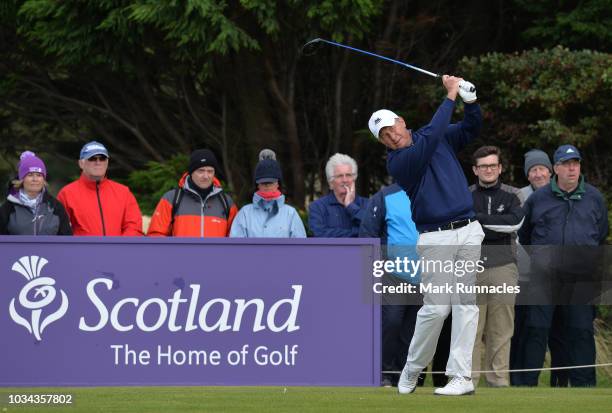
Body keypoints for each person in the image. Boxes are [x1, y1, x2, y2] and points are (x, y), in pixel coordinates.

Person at [369, 75, 484, 396]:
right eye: (384, 136)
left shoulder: (435, 136)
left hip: (468, 231)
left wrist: (470, 100)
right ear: (383, 143)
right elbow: (433, 135)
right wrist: (450, 96)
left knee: (466, 305)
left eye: (393, 128)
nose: (392, 136)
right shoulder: (400, 161)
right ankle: (412, 368)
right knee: (436, 308)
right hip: (435, 238)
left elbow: (471, 129)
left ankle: (461, 376)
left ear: (402, 123)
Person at [517, 144, 608, 387]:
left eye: (575, 163)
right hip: (544, 278)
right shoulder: (538, 199)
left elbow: (600, 234)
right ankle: (526, 387)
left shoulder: (594, 197)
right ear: (555, 168)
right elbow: (525, 237)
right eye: (566, 164)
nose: (572, 168)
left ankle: (584, 387)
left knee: (581, 332)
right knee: (536, 330)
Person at [359, 183, 451, 388]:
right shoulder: (385, 196)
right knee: (391, 322)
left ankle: (405, 375)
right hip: (393, 274)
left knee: (414, 329)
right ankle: (385, 373)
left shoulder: (434, 194)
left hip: (426, 275)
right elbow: (368, 234)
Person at [469, 146, 524, 387]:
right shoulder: (465, 194)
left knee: (501, 328)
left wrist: (480, 221)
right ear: (475, 170)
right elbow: (464, 226)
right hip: (471, 268)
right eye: (483, 166)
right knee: (470, 327)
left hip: (504, 267)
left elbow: (514, 223)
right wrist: (489, 225)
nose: (488, 170)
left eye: (492, 165)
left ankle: (498, 381)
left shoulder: (514, 194)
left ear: (500, 168)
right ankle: (467, 379)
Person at [510, 149, 553, 386]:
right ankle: (514, 379)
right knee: (517, 330)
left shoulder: (559, 195)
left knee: (539, 332)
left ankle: (533, 379)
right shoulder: (519, 196)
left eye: (541, 169)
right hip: (520, 277)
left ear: (550, 171)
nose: (538, 174)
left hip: (547, 279)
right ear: (528, 175)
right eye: (533, 170)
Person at [57, 141, 142, 236]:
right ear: (81, 163)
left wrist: (120, 248)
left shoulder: (123, 192)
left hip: (118, 250)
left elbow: (133, 226)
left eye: (102, 158)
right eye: (92, 158)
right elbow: (60, 230)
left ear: (107, 162)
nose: (98, 162)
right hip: (82, 250)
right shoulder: (67, 194)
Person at [147, 149, 237, 237]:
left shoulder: (226, 202)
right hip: (179, 253)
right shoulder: (171, 199)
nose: (206, 176)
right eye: (201, 171)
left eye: (210, 171)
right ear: (191, 172)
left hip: (216, 253)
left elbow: (235, 240)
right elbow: (156, 235)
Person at [230, 150, 306, 238]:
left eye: (270, 182)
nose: (267, 186)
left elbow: (300, 248)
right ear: (257, 185)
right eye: (263, 183)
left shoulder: (290, 213)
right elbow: (236, 248)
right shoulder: (244, 214)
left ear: (278, 183)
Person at [0, 151, 71, 235]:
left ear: (43, 180)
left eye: (39, 175)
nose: (35, 179)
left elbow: (66, 239)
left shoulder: (55, 207)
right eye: (30, 175)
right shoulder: (8, 208)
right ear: (22, 179)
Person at [309, 153, 368, 237]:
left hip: (363, 251)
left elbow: (373, 229)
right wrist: (356, 233)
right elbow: (320, 234)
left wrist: (351, 207)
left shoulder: (368, 204)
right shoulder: (318, 207)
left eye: (348, 175)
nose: (345, 180)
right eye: (340, 176)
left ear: (354, 179)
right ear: (331, 183)